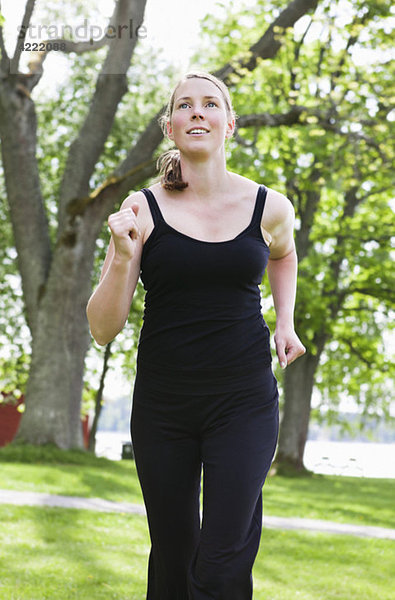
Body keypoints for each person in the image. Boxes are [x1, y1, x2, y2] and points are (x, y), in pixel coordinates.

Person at [86, 71, 305, 600]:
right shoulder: (142, 210)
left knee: (224, 557)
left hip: (244, 400)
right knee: (174, 553)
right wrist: (119, 255)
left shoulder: (270, 207)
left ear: (229, 125)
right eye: (185, 105)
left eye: (211, 104)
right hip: (165, 404)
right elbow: (102, 328)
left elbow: (285, 254)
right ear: (171, 126)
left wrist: (286, 320)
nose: (198, 112)